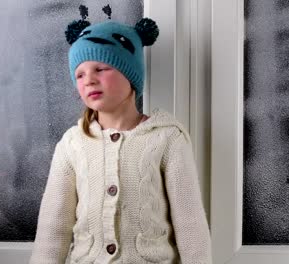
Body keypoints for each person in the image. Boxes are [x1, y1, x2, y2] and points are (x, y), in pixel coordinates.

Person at [29, 12, 211, 264]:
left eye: (101, 68)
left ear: (131, 74)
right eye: (79, 74)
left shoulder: (167, 138)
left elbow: (190, 224)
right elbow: (53, 228)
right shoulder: (72, 144)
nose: (89, 79)